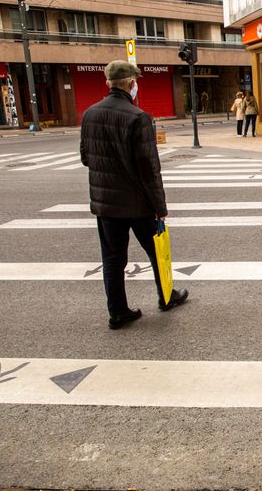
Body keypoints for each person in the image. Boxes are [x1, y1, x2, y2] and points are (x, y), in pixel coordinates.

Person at [80, 60, 189, 329]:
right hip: (138, 202)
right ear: (131, 83)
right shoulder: (138, 117)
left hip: (106, 203)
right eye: (136, 80)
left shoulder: (89, 114)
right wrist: (159, 206)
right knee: (156, 252)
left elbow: (86, 158)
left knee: (113, 259)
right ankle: (166, 296)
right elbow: (148, 167)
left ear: (108, 84)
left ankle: (117, 312)